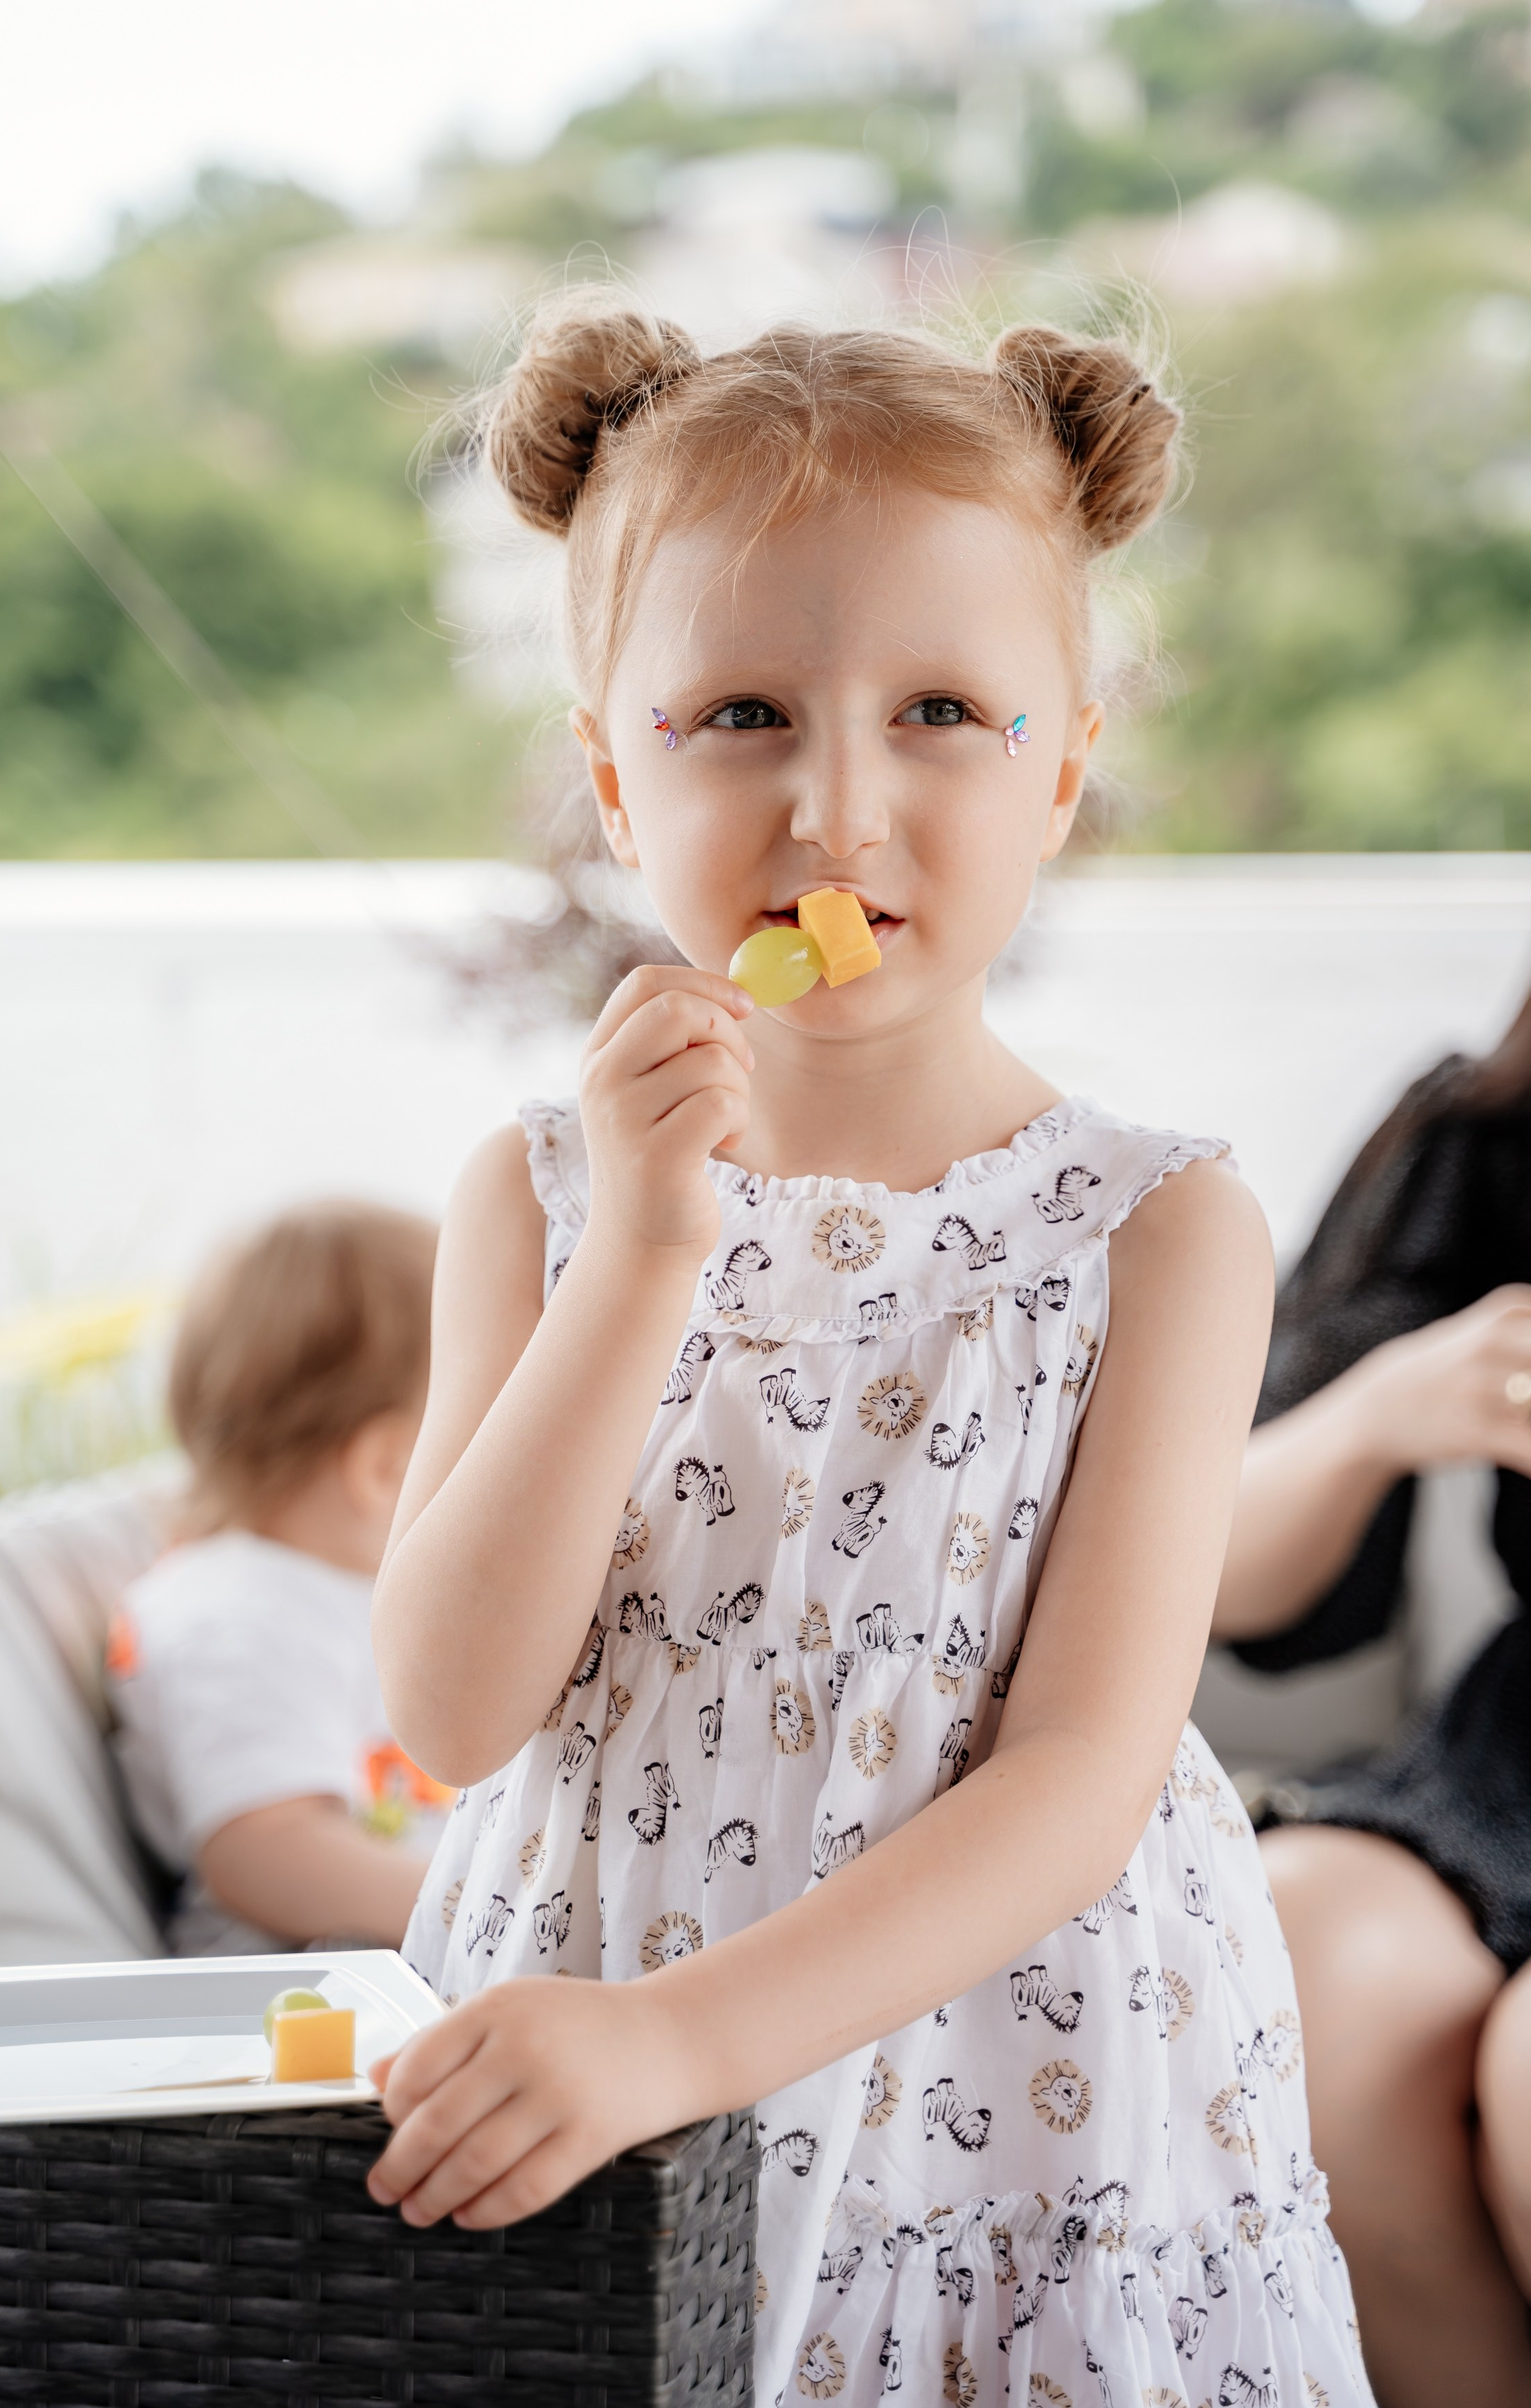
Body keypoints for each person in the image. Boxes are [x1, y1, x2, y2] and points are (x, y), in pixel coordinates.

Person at [366, 293, 1375, 2407]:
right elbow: (454, 1707)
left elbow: (1081, 1780)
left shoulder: (1159, 1228)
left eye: (939, 707)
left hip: (1021, 2094)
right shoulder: (535, 1200)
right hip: (592, 2030)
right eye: (737, 710)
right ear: (610, 779)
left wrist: (682, 2038)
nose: (836, 804)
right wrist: (645, 1258)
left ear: (1065, 767)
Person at [1212, 986, 1531, 2408]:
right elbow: (1234, 1597)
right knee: (1296, 1949)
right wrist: (1380, 1408)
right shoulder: (1488, 1124)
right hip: (1513, 1751)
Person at [108, 1200, 448, 1956]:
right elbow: (265, 1849)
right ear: (385, 1468)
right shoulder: (239, 1606)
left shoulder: (331, 1589)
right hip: (313, 2015)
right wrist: (488, 1916)